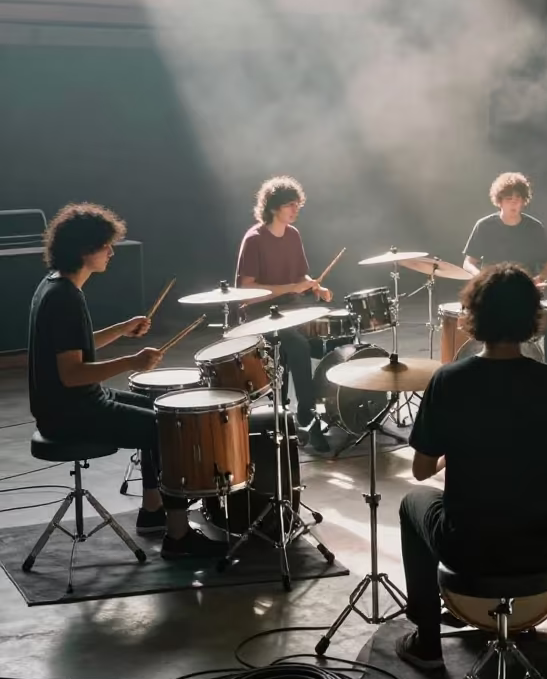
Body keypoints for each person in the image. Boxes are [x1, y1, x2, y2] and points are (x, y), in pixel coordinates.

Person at [396, 263, 547, 673]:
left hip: (463, 544)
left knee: (413, 502)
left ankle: (426, 641)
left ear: (473, 317)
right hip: (538, 544)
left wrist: (453, 451)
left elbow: (422, 471)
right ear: (533, 319)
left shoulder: (448, 380)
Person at [27, 203, 223, 558]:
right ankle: (178, 538)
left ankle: (152, 510)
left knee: (159, 411)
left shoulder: (54, 286)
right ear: (86, 250)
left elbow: (77, 344)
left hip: (69, 405)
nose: (111, 252)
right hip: (71, 413)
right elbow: (71, 375)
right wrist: (132, 361)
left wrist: (121, 329)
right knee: (171, 430)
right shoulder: (65, 297)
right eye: (106, 246)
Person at [236, 175, 332, 452]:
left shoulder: (293, 235)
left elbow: (301, 273)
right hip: (259, 315)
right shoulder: (254, 239)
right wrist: (293, 286)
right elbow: (247, 288)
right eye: (291, 205)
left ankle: (338, 412)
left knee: (334, 338)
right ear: (273, 206)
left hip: (293, 309)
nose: (296, 210)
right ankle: (307, 417)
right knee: (299, 347)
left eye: (298, 204)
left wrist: (316, 285)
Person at [463, 171, 547, 367]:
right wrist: (482, 279)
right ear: (499, 201)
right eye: (509, 199)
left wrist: (540, 278)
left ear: (524, 201)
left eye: (518, 199)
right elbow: (468, 262)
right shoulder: (484, 226)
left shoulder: (535, 228)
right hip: (491, 295)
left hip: (523, 294)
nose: (514, 204)